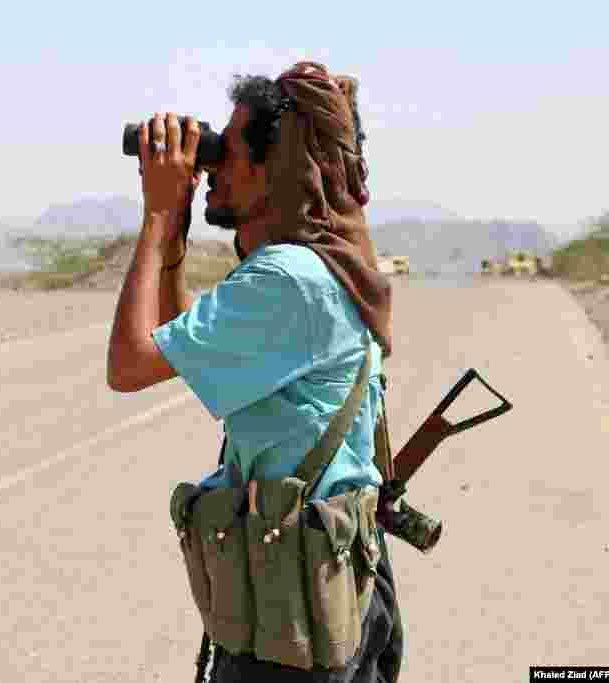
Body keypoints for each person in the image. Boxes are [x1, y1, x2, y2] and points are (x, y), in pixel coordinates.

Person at [106, 62, 403, 682]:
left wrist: (158, 217)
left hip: (295, 621)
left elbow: (130, 366)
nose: (209, 165)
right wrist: (178, 236)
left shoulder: (288, 279)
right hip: (339, 588)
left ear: (278, 170)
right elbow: (189, 351)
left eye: (228, 152)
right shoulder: (329, 265)